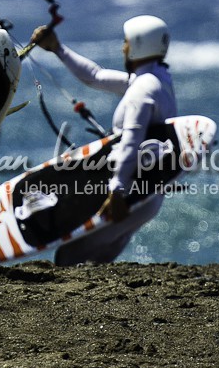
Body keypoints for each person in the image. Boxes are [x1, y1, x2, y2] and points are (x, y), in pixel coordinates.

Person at [29, 15, 177, 265]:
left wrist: (116, 190)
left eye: (126, 42)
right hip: (146, 195)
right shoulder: (157, 80)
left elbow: (132, 140)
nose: (123, 47)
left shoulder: (142, 91)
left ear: (139, 44)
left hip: (129, 194)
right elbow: (95, 76)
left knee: (68, 256)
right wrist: (58, 49)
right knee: (97, 263)